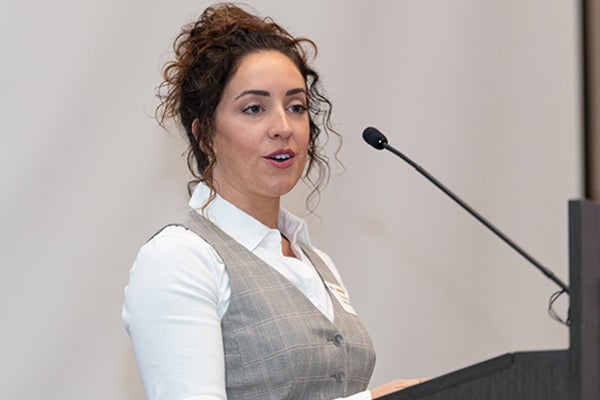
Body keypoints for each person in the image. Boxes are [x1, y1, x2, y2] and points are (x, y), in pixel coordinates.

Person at [122, 3, 425, 399]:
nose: (283, 127)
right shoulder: (180, 257)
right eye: (254, 108)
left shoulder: (315, 261)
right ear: (204, 134)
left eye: (296, 107)